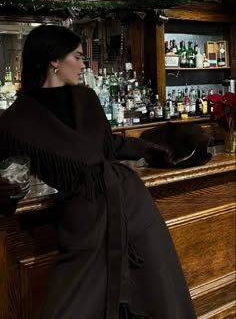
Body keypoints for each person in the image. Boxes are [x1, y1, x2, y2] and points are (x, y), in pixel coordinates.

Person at [0, 25, 197, 319]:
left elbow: (108, 144)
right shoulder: (15, 120)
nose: (83, 65)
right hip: (82, 218)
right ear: (54, 59)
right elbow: (10, 176)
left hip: (131, 204)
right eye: (78, 57)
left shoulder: (86, 97)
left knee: (158, 287)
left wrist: (148, 148)